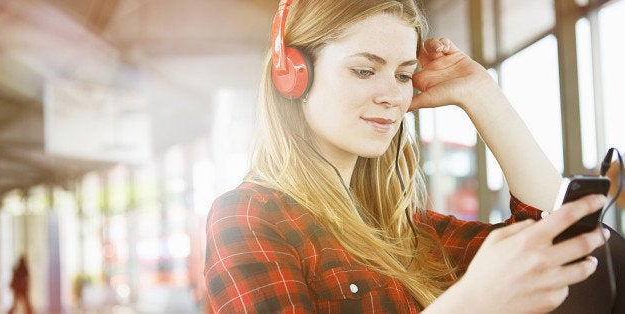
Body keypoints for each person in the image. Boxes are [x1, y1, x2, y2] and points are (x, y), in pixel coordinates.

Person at [203, 0, 624, 312]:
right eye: (364, 70)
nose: (392, 96)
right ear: (293, 74)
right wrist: (470, 304)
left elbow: (564, 248)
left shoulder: (408, 233)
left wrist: (481, 95)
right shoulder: (249, 218)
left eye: (404, 75)